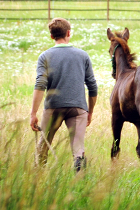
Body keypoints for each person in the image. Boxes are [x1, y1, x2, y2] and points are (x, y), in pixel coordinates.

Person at [30, 18, 98, 172]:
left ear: (51, 36)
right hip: (78, 108)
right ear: (69, 33)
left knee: (43, 145)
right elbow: (92, 86)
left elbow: (40, 85)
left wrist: (33, 113)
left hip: (53, 107)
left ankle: (38, 179)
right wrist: (90, 111)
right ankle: (79, 179)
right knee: (78, 148)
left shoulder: (44, 56)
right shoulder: (83, 55)